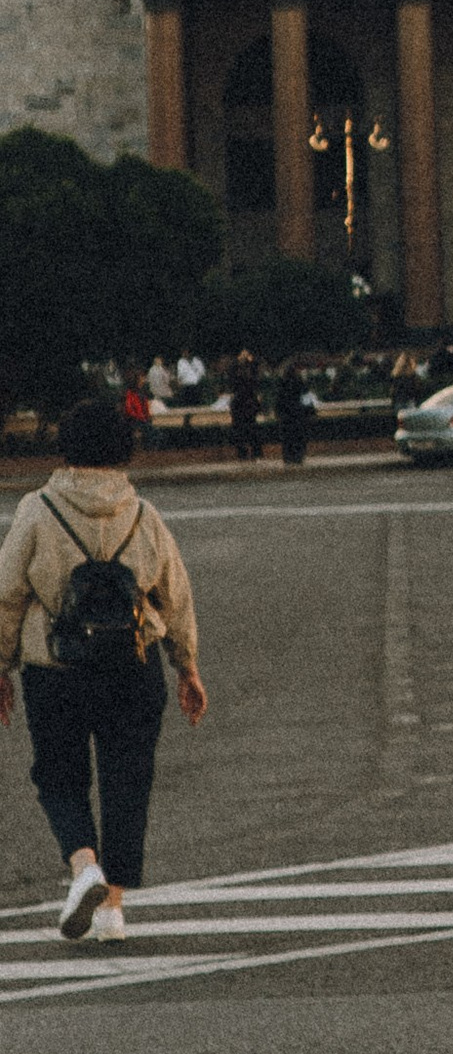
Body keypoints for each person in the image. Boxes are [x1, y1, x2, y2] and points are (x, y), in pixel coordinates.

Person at [0, 395, 209, 944]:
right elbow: (175, 595)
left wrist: (1, 666)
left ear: (65, 446)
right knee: (127, 781)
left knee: (58, 776)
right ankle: (112, 909)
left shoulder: (37, 510)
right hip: (133, 667)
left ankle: (83, 866)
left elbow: (7, 595)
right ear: (123, 448)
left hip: (55, 668)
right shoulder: (143, 515)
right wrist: (186, 665)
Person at [276, 362, 313, 470]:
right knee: (299, 437)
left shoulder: (282, 384)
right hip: (299, 414)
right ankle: (298, 458)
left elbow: (279, 401)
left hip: (286, 416)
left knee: (287, 438)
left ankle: (288, 459)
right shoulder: (301, 383)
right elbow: (306, 399)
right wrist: (310, 411)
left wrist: (278, 413)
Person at [227, 354, 261, 463]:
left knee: (250, 431)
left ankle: (252, 454)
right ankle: (245, 454)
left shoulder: (250, 377)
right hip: (242, 405)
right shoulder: (238, 377)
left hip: (247, 406)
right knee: (243, 431)